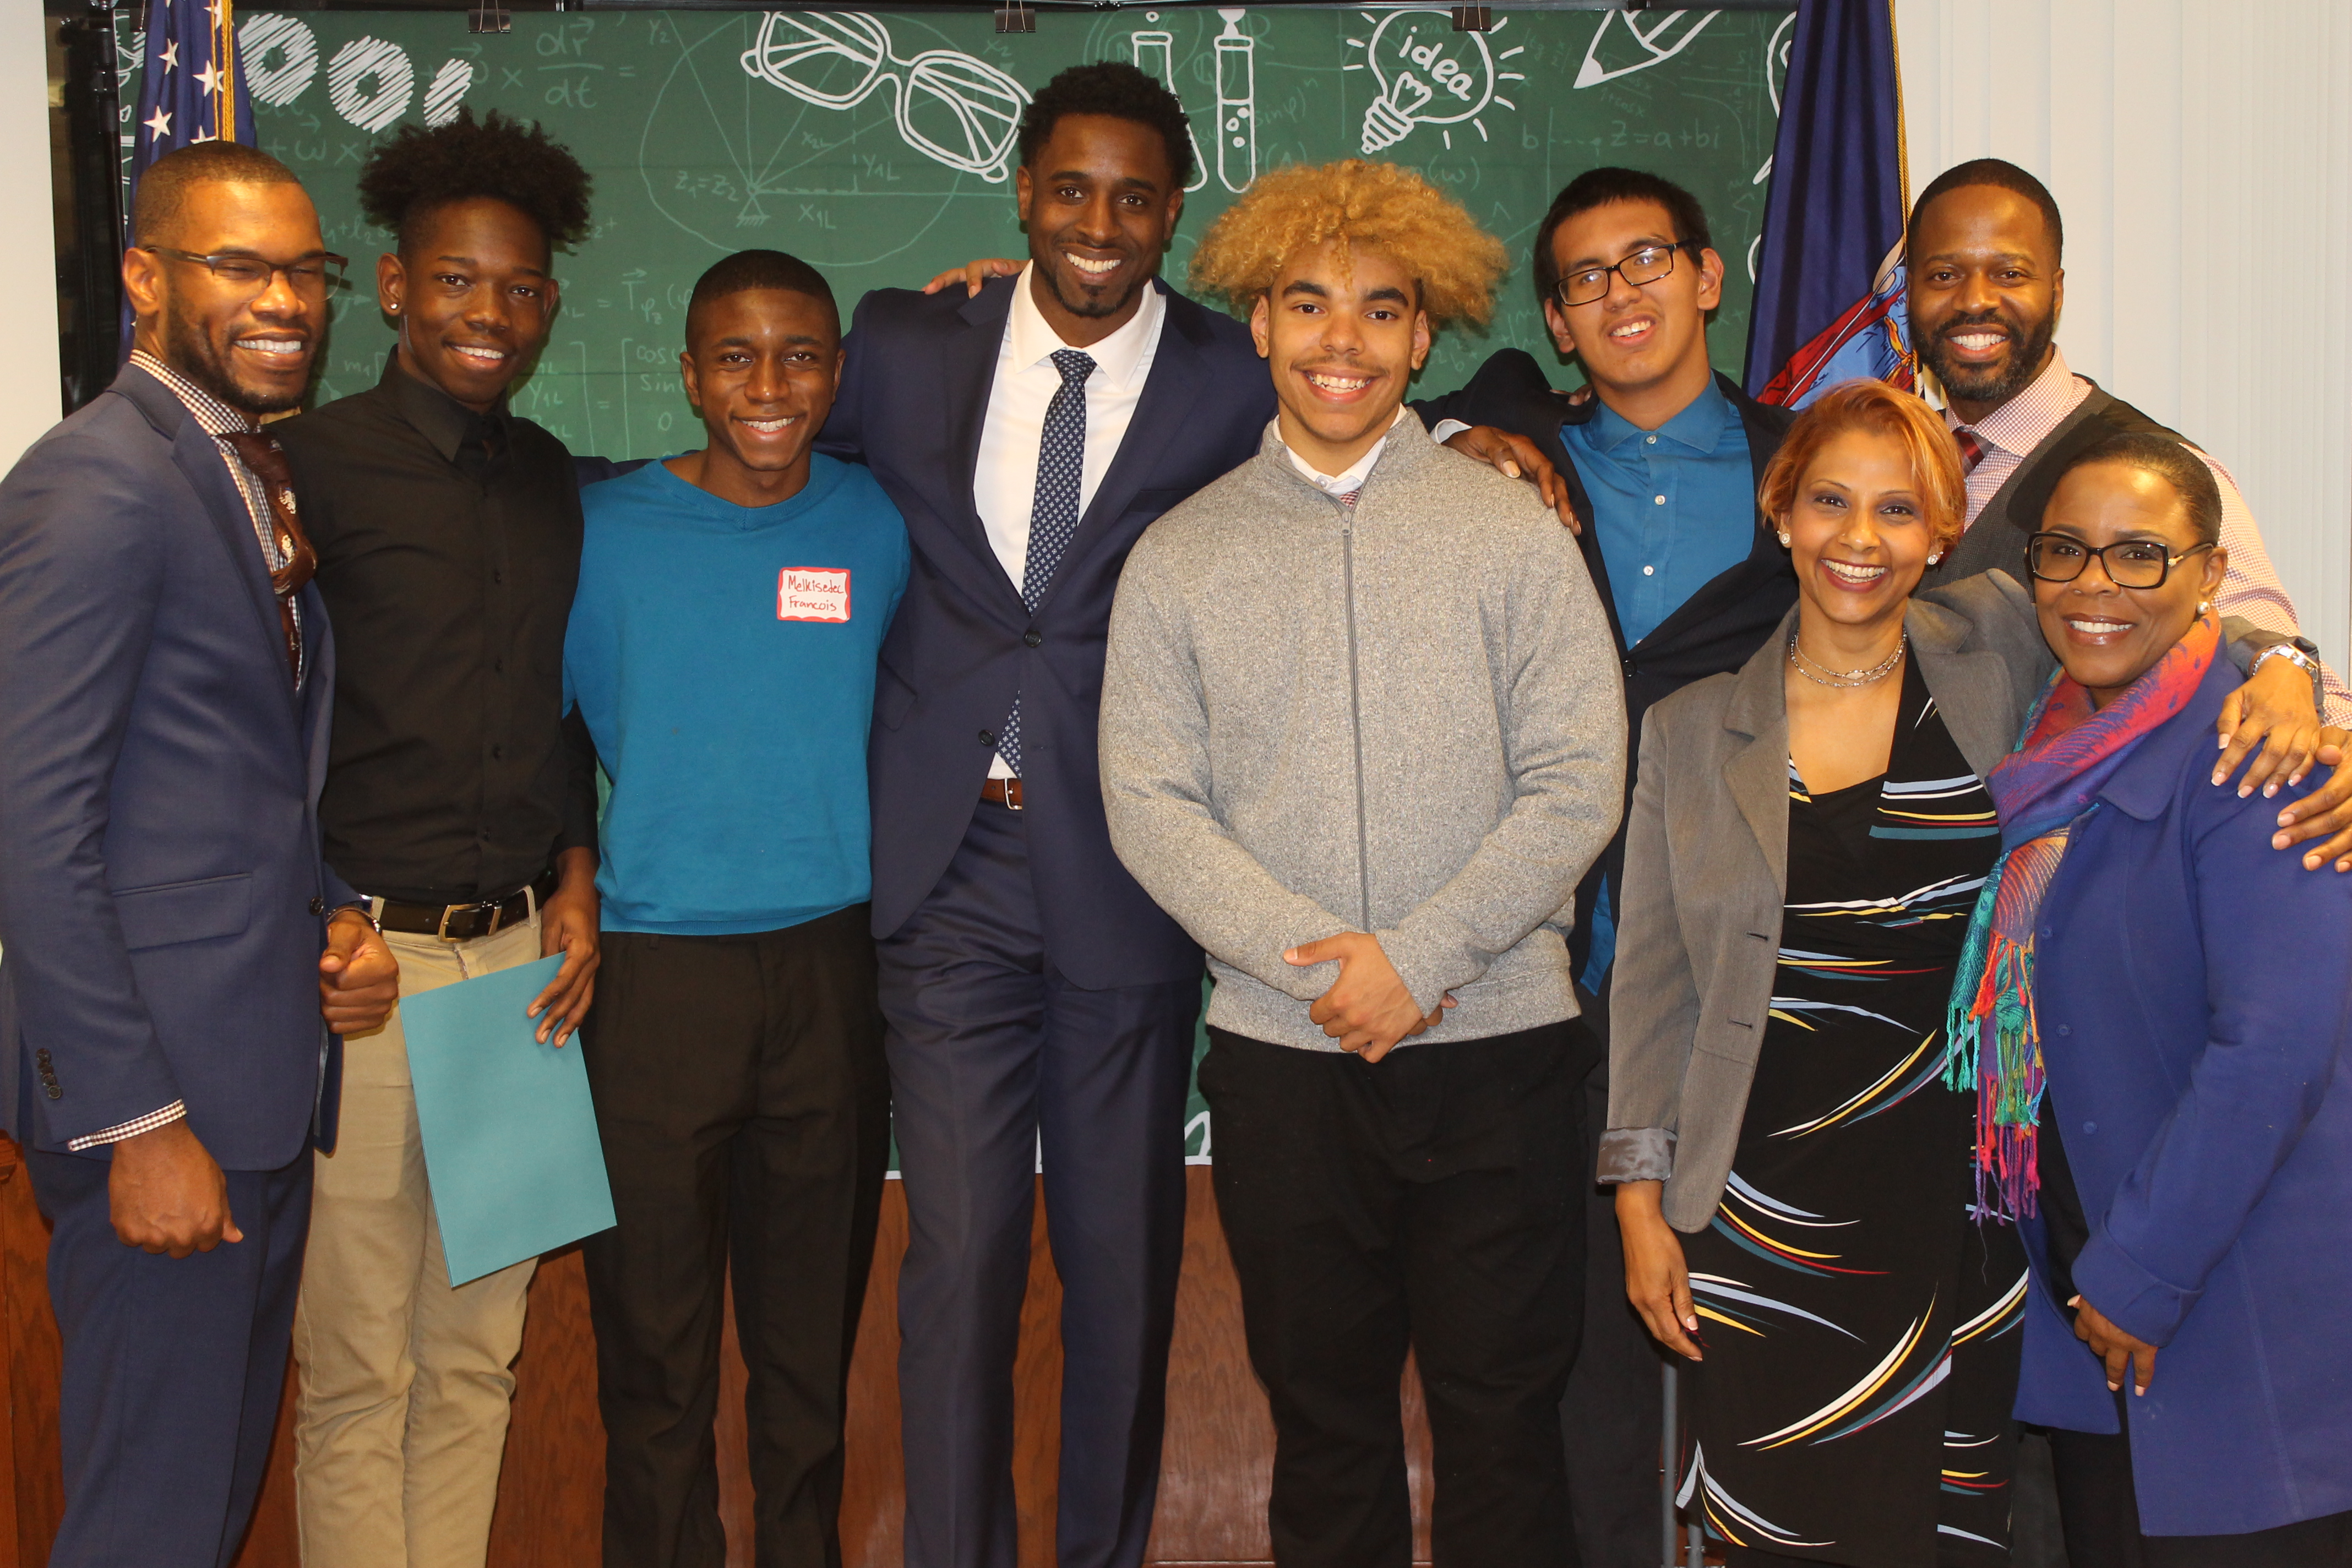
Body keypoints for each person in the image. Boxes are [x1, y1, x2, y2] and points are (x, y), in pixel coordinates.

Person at [816, 64, 1547, 1566]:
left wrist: (1504, 430)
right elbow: (776, 467)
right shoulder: (897, 339)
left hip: (1134, 871)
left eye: (1133, 197)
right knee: (958, 1262)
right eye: (1069, 191)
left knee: (1122, 1270)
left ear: (1173, 213)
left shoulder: (1234, 369)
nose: (1098, 224)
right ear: (1021, 193)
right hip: (946, 868)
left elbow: (1370, 391)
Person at [1602, 383, 2337, 1568]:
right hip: (1768, 1213)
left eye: (1898, 509)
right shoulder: (1690, 729)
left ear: (1942, 533)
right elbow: (1653, 984)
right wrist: (1639, 1197)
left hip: (1975, 1211)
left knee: (1956, 1533)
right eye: (1830, 501)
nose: (1860, 537)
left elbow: (2161, 621)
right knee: (1783, 1534)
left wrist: (2290, 663)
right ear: (1780, 510)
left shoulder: (1997, 642)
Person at [1102, 158, 1627, 1568]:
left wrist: (1423, 956)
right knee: (1325, 1425)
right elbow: (1149, 801)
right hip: (1286, 1057)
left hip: (1499, 1046)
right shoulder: (1181, 553)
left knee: (1503, 1423)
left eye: (1380, 312)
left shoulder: (1510, 529)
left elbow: (1582, 770)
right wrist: (1331, 968)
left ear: (1421, 336)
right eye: (1310, 306)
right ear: (1259, 322)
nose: (1344, 340)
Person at [0, 141, 399, 1567]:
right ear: (146, 276)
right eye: (241, 266)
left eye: (307, 269)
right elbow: (34, 830)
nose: (285, 298)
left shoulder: (233, 466)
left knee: (203, 1513)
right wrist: (134, 1124)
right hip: (165, 1118)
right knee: (148, 1527)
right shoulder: (99, 485)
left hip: (251, 1089)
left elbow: (229, 789)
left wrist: (333, 925)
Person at [1418, 166, 1803, 1565]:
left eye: (1649, 259)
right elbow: (1322, 418)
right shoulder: (1496, 464)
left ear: (1710, 279)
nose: (1622, 289)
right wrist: (1468, 423)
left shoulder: (1805, 476)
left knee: (1762, 1368)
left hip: (1747, 1000)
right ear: (1560, 328)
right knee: (1561, 1369)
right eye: (1587, 276)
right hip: (1548, 994)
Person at [268, 110, 602, 1568]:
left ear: (547, 309)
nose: (490, 312)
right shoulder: (299, 475)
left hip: (523, 973)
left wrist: (578, 884)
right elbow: (239, 744)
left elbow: (563, 712)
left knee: (476, 1362)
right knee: (357, 1374)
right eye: (458, 280)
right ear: (395, 288)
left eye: (519, 288)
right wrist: (315, 920)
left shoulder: (555, 484)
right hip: (364, 975)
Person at [1952, 435, 2352, 1565]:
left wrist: (2137, 1274)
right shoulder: (2048, 738)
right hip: (2106, 1311)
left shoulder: (2262, 752)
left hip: (2228, 1296)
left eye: (2140, 554)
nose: (2096, 585)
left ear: (2210, 572)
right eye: (2067, 551)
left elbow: (2274, 1050)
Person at [565, 251, 908, 1567]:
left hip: (830, 970)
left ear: (838, 367)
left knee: (805, 1348)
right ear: (691, 371)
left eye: (803, 354)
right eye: (737, 357)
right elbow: (531, 736)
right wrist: (574, 875)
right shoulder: (597, 528)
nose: (770, 386)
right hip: (650, 980)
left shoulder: (879, 520)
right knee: (651, 1355)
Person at [1905, 158, 2352, 746]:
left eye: (2010, 274)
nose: (1975, 301)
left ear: (2057, 290)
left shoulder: (2160, 473)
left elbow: (2292, 683)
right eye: (1943, 275)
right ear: (1908, 291)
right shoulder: (1892, 464)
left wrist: (2288, 672)